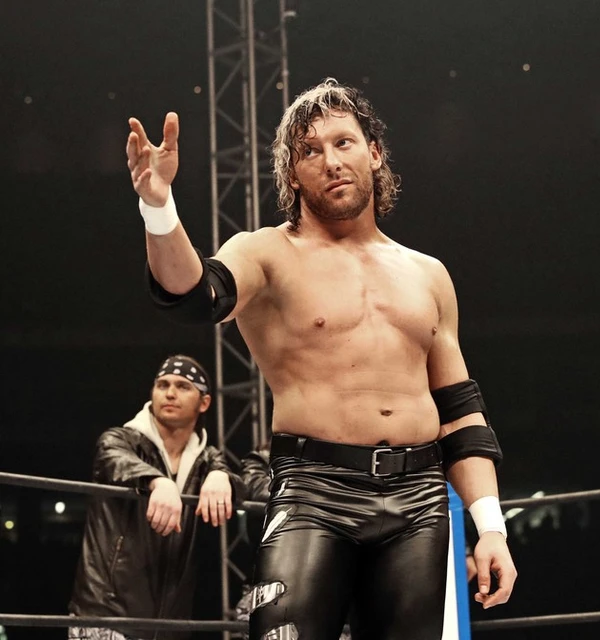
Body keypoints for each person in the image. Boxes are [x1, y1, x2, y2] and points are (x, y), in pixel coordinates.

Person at [126, 78, 517, 640]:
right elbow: (192, 295)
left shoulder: (428, 274)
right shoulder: (266, 253)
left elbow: (460, 413)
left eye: (343, 143)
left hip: (419, 500)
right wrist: (159, 207)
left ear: (374, 153)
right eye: (309, 151)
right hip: (314, 493)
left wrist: (491, 527)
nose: (330, 161)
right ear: (292, 173)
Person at [68, 354, 245, 640]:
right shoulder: (122, 440)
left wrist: (220, 476)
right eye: (163, 384)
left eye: (183, 386)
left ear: (204, 403)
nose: (170, 393)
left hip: (169, 625)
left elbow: (239, 480)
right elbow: (112, 456)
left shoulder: (207, 459)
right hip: (107, 616)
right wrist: (158, 481)